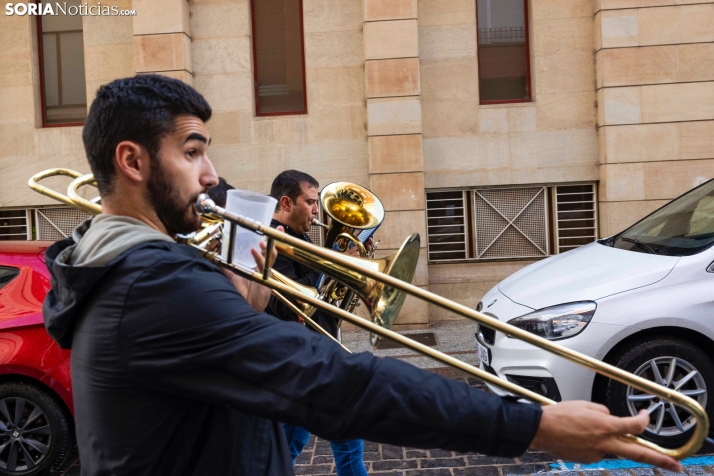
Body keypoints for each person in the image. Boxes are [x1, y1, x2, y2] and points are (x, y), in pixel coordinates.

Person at [41, 74, 682, 476]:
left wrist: (245, 299)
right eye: (192, 153)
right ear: (131, 160)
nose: (211, 176)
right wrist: (533, 425)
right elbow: (337, 383)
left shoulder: (137, 267)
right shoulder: (152, 281)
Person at [266, 170, 368, 476]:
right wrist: (336, 266)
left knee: (298, 443)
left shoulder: (298, 234)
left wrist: (341, 264)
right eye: (310, 202)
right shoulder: (274, 239)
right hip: (297, 358)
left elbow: (322, 295)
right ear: (286, 202)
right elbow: (290, 302)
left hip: (312, 355)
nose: (316, 210)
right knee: (298, 443)